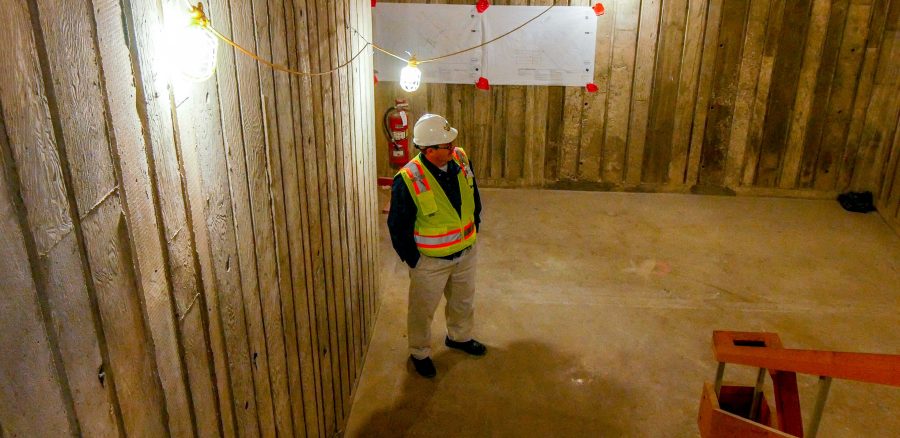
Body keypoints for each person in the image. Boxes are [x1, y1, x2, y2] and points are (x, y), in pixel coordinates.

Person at [387, 113, 487, 378]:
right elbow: (398, 226)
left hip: (465, 252)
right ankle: (419, 352)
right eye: (447, 145)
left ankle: (459, 337)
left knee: (463, 301)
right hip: (431, 262)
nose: (453, 148)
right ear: (430, 151)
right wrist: (414, 261)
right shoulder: (408, 179)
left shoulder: (461, 159)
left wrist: (473, 226)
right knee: (422, 310)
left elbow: (473, 195)